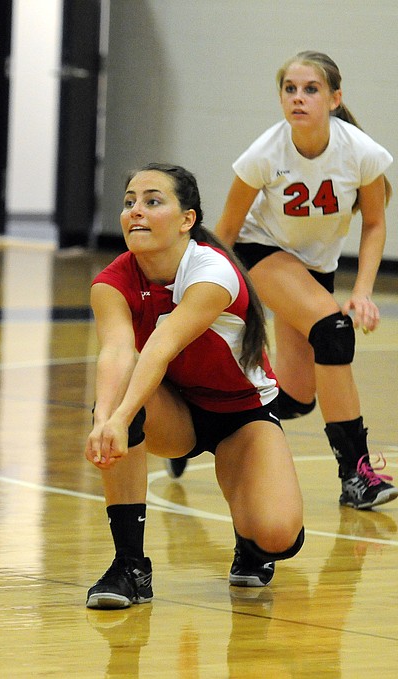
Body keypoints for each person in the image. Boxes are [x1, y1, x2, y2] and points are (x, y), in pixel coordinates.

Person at [84, 162, 304, 609]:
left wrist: (120, 416)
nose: (136, 212)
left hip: (242, 414)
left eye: (152, 201)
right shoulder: (111, 282)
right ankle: (130, 566)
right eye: (129, 203)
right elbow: (116, 354)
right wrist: (107, 420)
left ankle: (250, 537)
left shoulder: (212, 271)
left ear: (188, 220)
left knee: (277, 535)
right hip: (176, 413)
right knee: (120, 399)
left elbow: (161, 347)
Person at [203, 50, 398, 510]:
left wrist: (363, 291)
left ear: (334, 98)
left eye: (310, 89)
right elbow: (226, 232)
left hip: (315, 269)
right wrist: (209, 297)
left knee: (297, 395)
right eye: (289, 89)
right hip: (261, 251)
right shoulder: (264, 154)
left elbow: (374, 223)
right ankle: (357, 475)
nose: (298, 97)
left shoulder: (361, 152)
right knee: (333, 331)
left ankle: (208, 420)